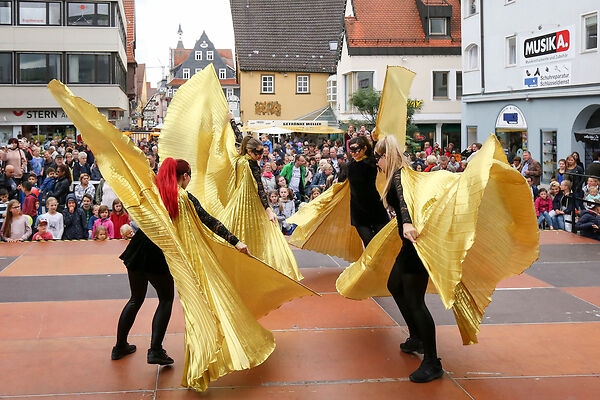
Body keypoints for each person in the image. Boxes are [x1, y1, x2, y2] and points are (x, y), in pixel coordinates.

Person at [113, 158, 249, 365]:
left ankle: (119, 346)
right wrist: (236, 241)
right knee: (165, 299)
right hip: (159, 254)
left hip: (138, 250)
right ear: (184, 176)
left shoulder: (155, 191)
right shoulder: (183, 197)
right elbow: (208, 220)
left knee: (135, 299)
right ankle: (155, 350)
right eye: (188, 178)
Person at [374, 135, 443, 383]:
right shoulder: (401, 173)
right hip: (409, 244)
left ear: (386, 156)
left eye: (377, 158)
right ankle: (416, 336)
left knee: (416, 302)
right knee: (394, 285)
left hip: (415, 245)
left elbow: (403, 201)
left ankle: (432, 361)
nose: (376, 163)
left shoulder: (399, 175)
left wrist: (408, 223)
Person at [347, 136, 390, 246]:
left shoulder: (373, 163)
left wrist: (375, 138)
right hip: (358, 211)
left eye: (356, 149)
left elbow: (382, 151)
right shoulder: (350, 165)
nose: (354, 153)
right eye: (351, 150)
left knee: (382, 243)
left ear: (365, 148)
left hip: (376, 208)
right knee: (369, 243)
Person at [237, 136, 278, 224]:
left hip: (237, 201)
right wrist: (269, 211)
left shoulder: (240, 159)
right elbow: (260, 188)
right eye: (257, 153)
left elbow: (240, 137)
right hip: (249, 203)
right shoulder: (251, 164)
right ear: (249, 151)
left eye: (261, 153)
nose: (260, 156)